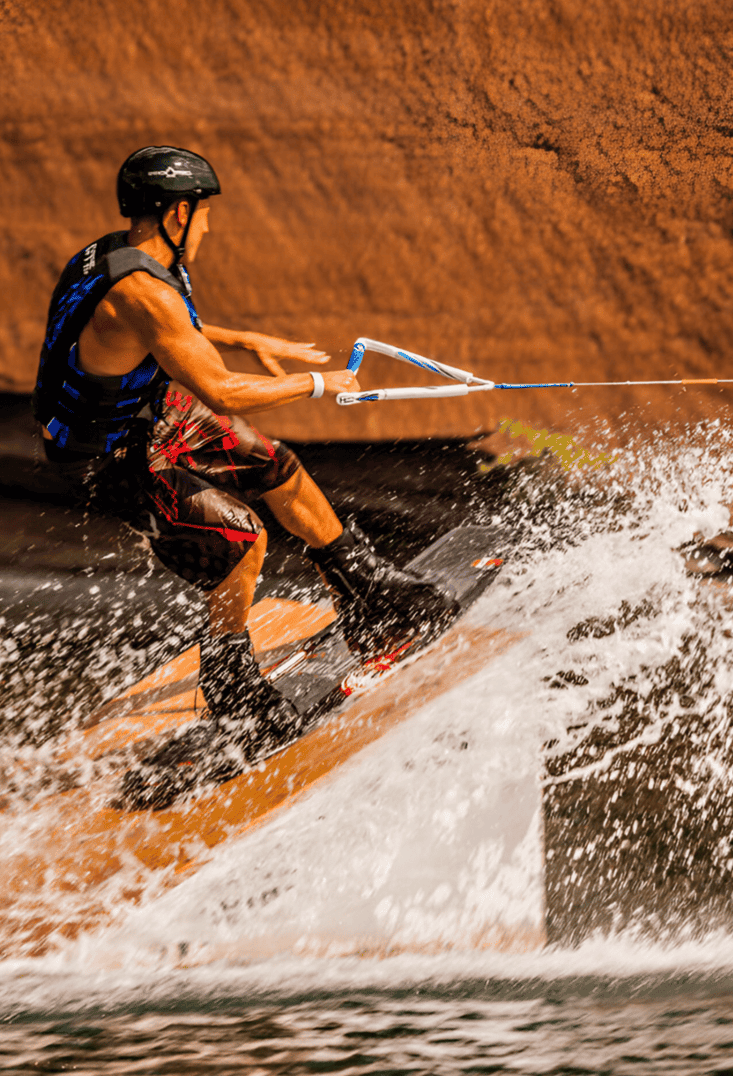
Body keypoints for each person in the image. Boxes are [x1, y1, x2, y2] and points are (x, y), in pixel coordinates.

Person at [33, 145, 454, 787]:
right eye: (201, 214)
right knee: (239, 540)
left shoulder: (119, 253)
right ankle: (232, 690)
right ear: (177, 212)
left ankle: (369, 591)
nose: (205, 226)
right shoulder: (144, 290)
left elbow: (166, 330)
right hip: (105, 455)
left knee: (270, 461)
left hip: (147, 413)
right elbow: (221, 389)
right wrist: (321, 384)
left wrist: (245, 339)